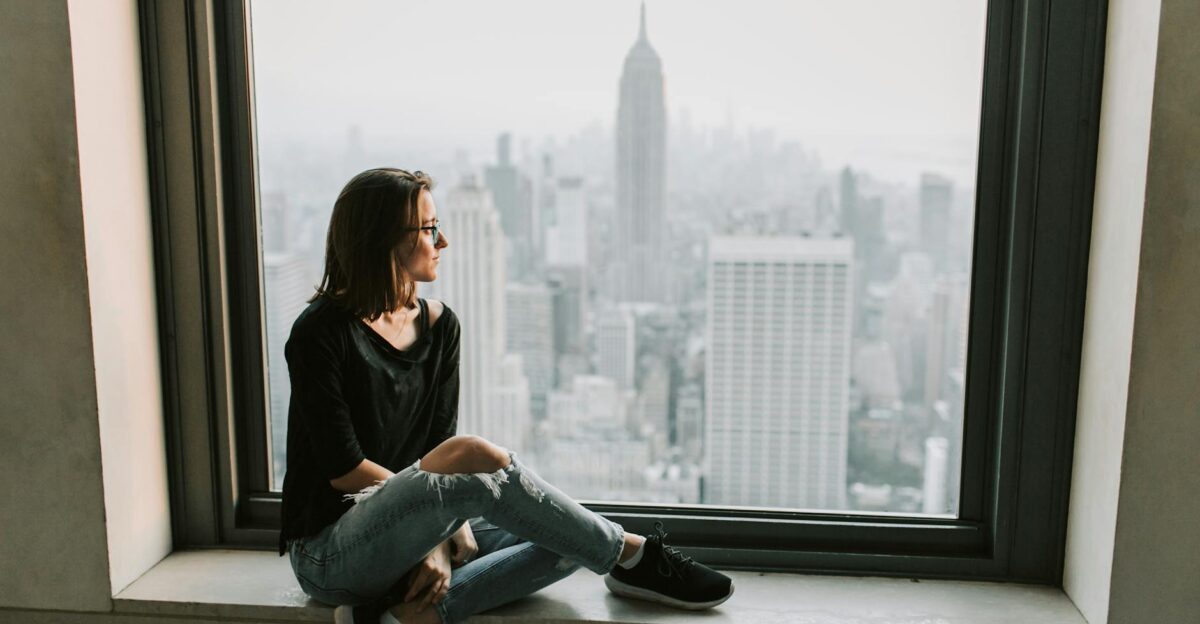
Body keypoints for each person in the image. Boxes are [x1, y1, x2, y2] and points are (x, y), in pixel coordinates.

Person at [280, 168, 734, 624]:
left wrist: (435, 532)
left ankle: (397, 617)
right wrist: (435, 536)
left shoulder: (440, 327)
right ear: (380, 239)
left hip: (416, 523)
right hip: (333, 553)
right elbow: (346, 472)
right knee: (474, 455)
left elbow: (432, 449)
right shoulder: (320, 333)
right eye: (429, 228)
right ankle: (634, 555)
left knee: (565, 535)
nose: (443, 242)